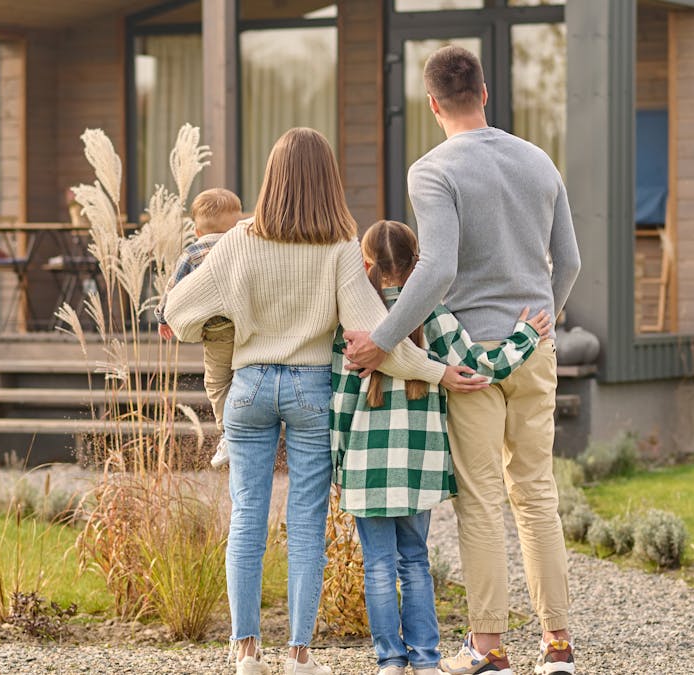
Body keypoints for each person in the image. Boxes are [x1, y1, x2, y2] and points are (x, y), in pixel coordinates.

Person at [163, 128, 486, 675]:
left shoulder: (238, 240)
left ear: (272, 179)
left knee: (246, 517)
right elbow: (378, 340)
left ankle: (245, 653)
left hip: (248, 387)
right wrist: (438, 372)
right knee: (306, 523)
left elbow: (176, 311)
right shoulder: (339, 250)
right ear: (328, 182)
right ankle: (298, 656)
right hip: (311, 391)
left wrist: (226, 328)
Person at [343, 46, 582, 675]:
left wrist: (384, 337)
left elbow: (439, 267)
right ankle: (557, 647)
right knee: (536, 496)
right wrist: (543, 322)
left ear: (431, 104)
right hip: (533, 347)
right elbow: (572, 261)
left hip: (468, 362)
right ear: (483, 91)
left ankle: (489, 647)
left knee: (481, 502)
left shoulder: (432, 170)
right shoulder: (538, 160)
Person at [331, 220, 550, 675]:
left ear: (365, 264)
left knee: (376, 566)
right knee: (414, 560)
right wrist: (527, 334)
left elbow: (339, 400)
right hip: (421, 464)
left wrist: (340, 466)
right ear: (420, 265)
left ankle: (390, 660)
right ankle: (427, 659)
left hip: (366, 468)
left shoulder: (353, 320)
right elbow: (480, 367)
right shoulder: (432, 313)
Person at [155, 187, 243, 469]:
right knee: (244, 377)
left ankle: (229, 432)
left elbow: (173, 290)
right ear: (237, 223)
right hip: (249, 326)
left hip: (217, 332)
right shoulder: (243, 246)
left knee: (217, 382)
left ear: (196, 230)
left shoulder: (193, 253)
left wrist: (162, 317)